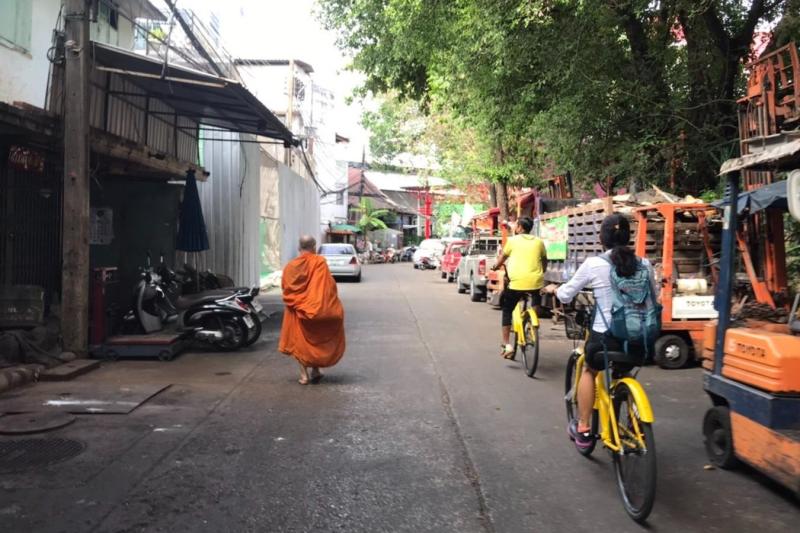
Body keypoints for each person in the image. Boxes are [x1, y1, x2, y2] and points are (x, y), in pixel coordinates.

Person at [549, 214, 657, 449]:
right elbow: (654, 299)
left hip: (605, 340)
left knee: (590, 369)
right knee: (624, 372)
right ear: (629, 237)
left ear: (602, 238)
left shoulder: (594, 264)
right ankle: (634, 420)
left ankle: (585, 428)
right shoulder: (645, 264)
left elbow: (567, 294)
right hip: (640, 339)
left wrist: (555, 291)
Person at [279, 235, 346, 385]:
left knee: (299, 341)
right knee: (316, 338)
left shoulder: (291, 266)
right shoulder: (319, 262)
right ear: (314, 247)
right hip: (317, 307)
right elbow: (329, 286)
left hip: (297, 308)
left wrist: (299, 300)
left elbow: (286, 287)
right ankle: (315, 370)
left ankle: (304, 375)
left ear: (299, 247)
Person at [491, 216, 548, 359]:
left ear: (520, 228)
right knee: (536, 296)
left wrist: (494, 267)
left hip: (516, 283)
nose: (515, 227)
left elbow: (502, 259)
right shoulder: (539, 242)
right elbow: (544, 261)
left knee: (507, 309)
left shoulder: (512, 241)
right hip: (536, 281)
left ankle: (506, 344)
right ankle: (532, 327)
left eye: (516, 225)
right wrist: (541, 272)